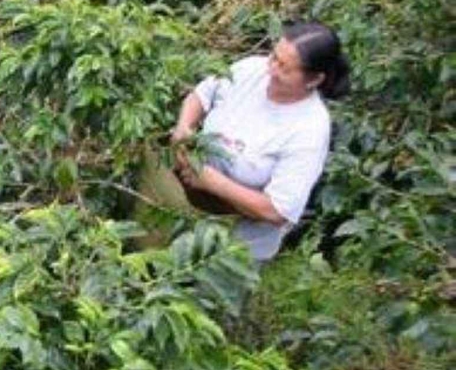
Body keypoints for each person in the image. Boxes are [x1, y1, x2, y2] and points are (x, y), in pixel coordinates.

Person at [147, 23, 350, 261]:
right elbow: (201, 95)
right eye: (274, 57)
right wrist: (184, 127)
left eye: (284, 67)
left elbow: (277, 211)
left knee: (202, 294)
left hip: (236, 246)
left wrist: (210, 181)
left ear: (314, 79)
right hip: (185, 208)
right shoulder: (249, 70)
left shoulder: (309, 129)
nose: (272, 69)